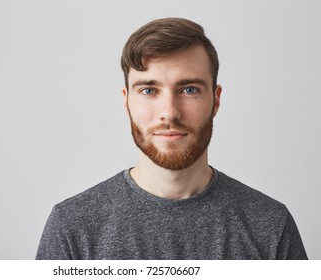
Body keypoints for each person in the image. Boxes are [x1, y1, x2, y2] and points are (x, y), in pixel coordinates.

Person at [35, 18, 307, 260]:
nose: (169, 113)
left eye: (189, 89)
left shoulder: (270, 225)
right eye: (149, 90)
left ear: (215, 100)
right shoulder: (72, 227)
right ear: (127, 101)